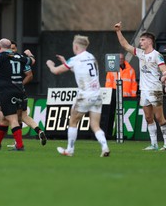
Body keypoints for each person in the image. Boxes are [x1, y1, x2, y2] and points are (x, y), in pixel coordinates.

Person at [46, 35, 110, 157]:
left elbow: (55, 71)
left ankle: (70, 150)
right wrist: (65, 62)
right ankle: (105, 147)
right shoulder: (91, 57)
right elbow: (79, 70)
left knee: (73, 121)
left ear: (75, 46)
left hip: (85, 95)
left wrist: (50, 64)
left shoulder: (75, 59)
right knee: (95, 125)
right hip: (97, 95)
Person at [0, 41, 47, 146]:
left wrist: (18, 84)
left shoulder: (14, 59)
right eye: (10, 48)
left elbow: (29, 75)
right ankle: (38, 131)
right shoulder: (14, 59)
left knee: (9, 117)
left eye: (14, 48)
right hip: (18, 91)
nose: (12, 50)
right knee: (20, 116)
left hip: (9, 92)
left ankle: (14, 143)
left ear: (16, 49)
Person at [115, 21, 166, 151]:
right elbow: (125, 45)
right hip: (144, 90)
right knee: (149, 117)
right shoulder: (141, 53)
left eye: (142, 40)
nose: (140, 42)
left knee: (159, 117)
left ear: (150, 41)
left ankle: (165, 144)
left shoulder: (157, 55)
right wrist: (118, 31)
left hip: (155, 90)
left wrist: (164, 76)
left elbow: (164, 69)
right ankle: (154, 144)